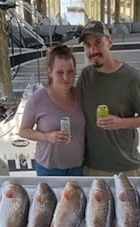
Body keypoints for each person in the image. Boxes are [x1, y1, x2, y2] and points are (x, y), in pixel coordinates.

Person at [77, 21, 140, 177]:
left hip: (127, 167)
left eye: (98, 43)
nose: (93, 50)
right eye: (87, 45)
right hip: (93, 168)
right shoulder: (85, 76)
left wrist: (121, 123)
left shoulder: (132, 77)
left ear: (110, 42)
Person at [19, 45, 85, 176]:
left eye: (70, 72)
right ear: (50, 72)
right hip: (48, 168)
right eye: (60, 72)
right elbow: (23, 131)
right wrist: (47, 137)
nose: (66, 77)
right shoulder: (37, 100)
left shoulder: (82, 96)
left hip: (78, 167)